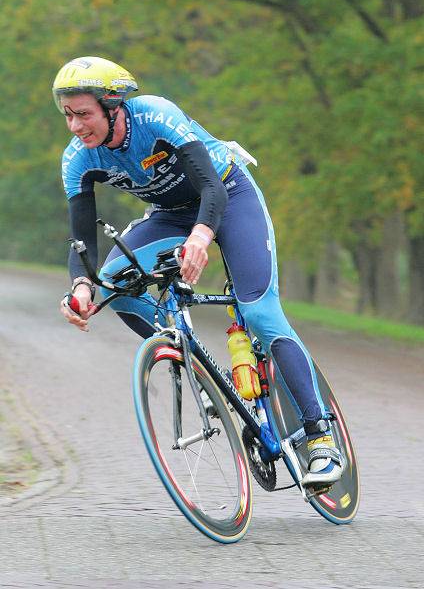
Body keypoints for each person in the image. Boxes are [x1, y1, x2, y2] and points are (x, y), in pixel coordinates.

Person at [53, 56, 342, 489]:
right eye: (67, 116)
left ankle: (321, 437)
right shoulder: (77, 159)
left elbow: (212, 188)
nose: (75, 126)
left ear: (113, 106)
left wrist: (202, 238)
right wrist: (80, 286)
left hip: (229, 195)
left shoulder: (156, 116)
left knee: (260, 313)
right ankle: (203, 368)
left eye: (83, 114)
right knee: (117, 283)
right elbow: (81, 243)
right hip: (170, 215)